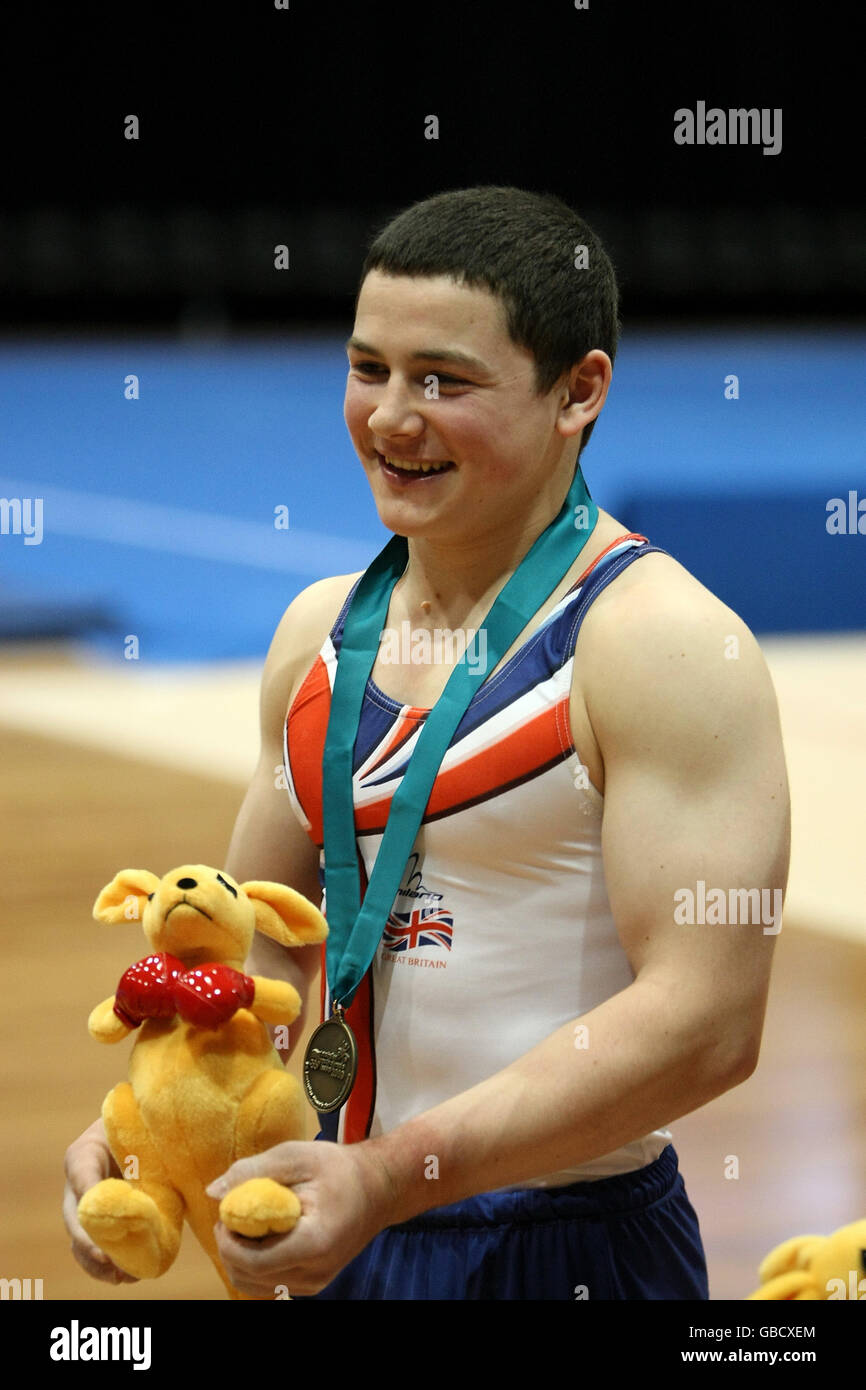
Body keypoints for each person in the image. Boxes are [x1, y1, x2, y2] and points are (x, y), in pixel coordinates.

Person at [63, 185, 790, 1300]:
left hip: (562, 1243)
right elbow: (256, 955)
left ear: (576, 392)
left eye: (442, 381)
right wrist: (158, 1140)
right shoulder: (317, 635)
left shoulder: (654, 645)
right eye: (369, 370)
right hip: (340, 1214)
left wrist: (396, 1175)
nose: (391, 417)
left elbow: (706, 1020)